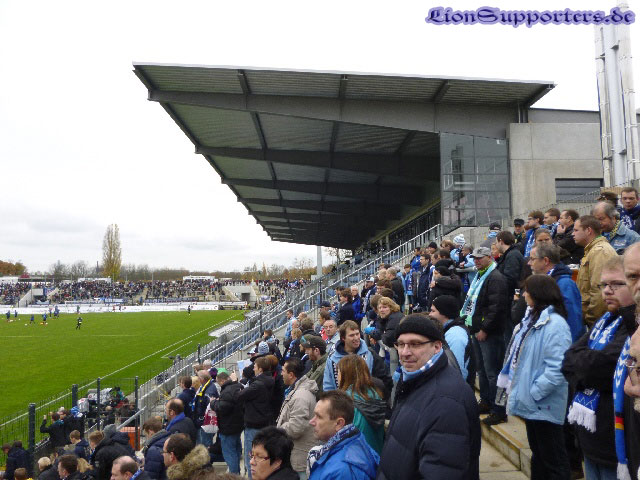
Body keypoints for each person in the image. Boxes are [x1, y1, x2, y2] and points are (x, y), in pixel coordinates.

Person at [376, 315, 480, 480]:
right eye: (401, 344)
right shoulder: (415, 380)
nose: (405, 352)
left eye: (415, 344)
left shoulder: (446, 402)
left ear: (437, 346)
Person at [562, 255, 637, 479]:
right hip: (590, 438)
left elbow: (601, 368)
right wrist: (584, 367)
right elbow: (569, 359)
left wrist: (582, 368)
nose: (607, 291)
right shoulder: (605, 320)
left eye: (616, 284)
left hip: (614, 445)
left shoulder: (632, 327)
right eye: (603, 285)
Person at [497, 274, 572, 480]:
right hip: (533, 403)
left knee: (553, 460)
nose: (524, 295)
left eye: (527, 291)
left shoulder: (555, 325)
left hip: (543, 403)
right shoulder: (532, 319)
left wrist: (534, 392)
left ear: (538, 294)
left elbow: (558, 368)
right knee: (539, 456)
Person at [460, 246, 510, 425]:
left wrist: (485, 329)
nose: (476, 261)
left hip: (490, 333)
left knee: (493, 372)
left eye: (480, 258)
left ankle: (499, 409)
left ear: (490, 257)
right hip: (476, 329)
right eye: (474, 258)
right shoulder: (480, 276)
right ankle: (487, 401)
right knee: (481, 370)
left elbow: (496, 308)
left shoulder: (495, 278)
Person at [308, 390, 379, 480]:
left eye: (319, 416)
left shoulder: (343, 470)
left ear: (339, 423)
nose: (311, 422)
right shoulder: (353, 440)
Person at [528, 244, 585, 342]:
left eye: (532, 259)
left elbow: (573, 323)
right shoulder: (544, 282)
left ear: (545, 261)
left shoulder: (565, 285)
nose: (529, 263)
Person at [231, 355, 276, 479]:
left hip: (254, 425)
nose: (253, 369)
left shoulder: (258, 385)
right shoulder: (269, 380)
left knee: (252, 459)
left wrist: (235, 382)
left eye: (255, 367)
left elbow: (238, 396)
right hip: (264, 422)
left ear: (260, 369)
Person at [323, 320, 392, 397]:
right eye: (351, 335)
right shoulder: (332, 358)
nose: (356, 338)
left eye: (357, 334)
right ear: (343, 338)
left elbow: (384, 379)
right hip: (340, 402)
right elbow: (328, 385)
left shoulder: (370, 354)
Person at [574, 215, 618, 328]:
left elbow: (599, 291)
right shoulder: (593, 251)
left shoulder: (600, 252)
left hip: (597, 322)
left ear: (588, 230)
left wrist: (591, 319)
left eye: (576, 230)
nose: (573, 234)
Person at [277, 358, 318, 479]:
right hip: (297, 453)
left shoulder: (300, 396)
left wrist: (278, 429)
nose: (281, 374)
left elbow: (296, 428)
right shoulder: (297, 391)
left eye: (283, 371)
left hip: (299, 458)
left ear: (291, 374)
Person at [337, 355, 385, 454]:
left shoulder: (345, 401)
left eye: (339, 372)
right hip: (376, 454)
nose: (337, 377)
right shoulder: (375, 394)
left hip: (355, 456)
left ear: (346, 375)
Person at [430, 295, 474, 384]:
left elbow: (456, 369)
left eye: (433, 311)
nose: (430, 314)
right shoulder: (448, 329)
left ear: (444, 313)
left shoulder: (455, 335)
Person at [211, 370, 244, 475]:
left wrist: (213, 402)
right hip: (237, 425)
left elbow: (222, 408)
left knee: (230, 454)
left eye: (218, 382)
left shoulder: (227, 391)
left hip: (228, 427)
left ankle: (234, 475)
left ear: (222, 380)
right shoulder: (236, 387)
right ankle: (236, 474)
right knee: (235, 451)